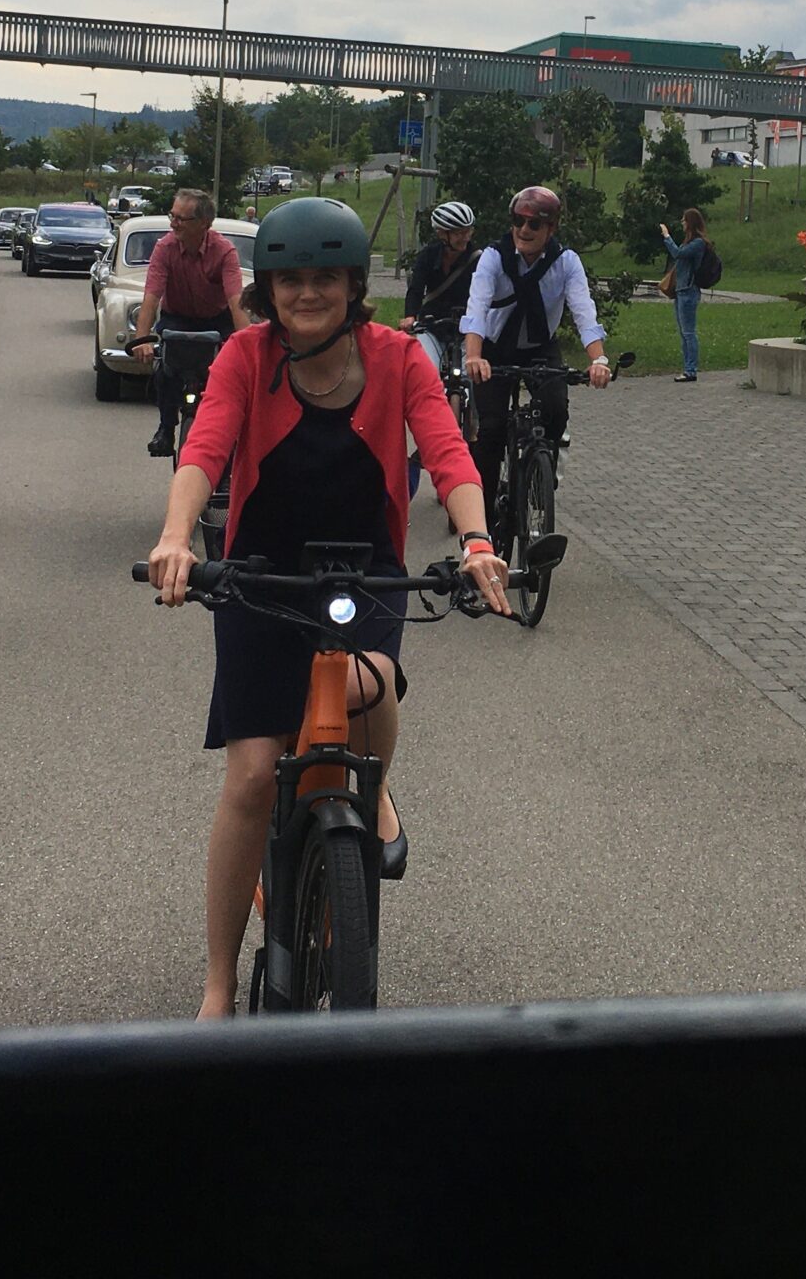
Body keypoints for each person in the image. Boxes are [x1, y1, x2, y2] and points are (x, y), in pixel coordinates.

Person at [143, 198, 507, 1019]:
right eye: (291, 280)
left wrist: (477, 541)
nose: (308, 294)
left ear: (352, 286)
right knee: (250, 776)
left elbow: (446, 450)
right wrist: (176, 538)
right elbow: (206, 446)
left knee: (369, 682)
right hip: (259, 576)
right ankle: (216, 985)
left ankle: (370, 789)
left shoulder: (398, 357)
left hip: (362, 570)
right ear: (268, 290)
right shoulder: (245, 356)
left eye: (326, 279)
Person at [461, 185, 612, 518]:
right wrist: (474, 356)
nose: (524, 230)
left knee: (555, 408)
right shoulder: (494, 257)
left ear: (551, 229)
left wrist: (598, 360)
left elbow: (584, 313)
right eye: (518, 221)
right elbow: (477, 308)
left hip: (539, 348)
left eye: (534, 224)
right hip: (493, 350)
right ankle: (481, 521)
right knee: (491, 430)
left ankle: (541, 470)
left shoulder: (566, 262)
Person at [131, 187, 249, 457]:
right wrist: (141, 339)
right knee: (165, 372)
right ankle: (166, 428)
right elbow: (151, 296)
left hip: (217, 320)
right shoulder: (164, 248)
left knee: (229, 375)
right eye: (172, 216)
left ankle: (230, 432)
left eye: (181, 219)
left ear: (204, 223)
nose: (174, 224)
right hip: (177, 318)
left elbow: (236, 301)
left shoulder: (224, 251)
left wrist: (250, 346)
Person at [401, 200, 479, 376]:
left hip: (466, 330)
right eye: (459, 233)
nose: (466, 237)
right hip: (432, 326)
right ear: (442, 233)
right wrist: (410, 316)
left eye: (468, 231)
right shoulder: (428, 256)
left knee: (470, 374)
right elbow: (416, 289)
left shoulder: (478, 260)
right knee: (428, 371)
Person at [657, 206, 709, 382]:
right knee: (683, 332)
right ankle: (687, 367)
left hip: (688, 290)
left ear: (691, 222)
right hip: (681, 291)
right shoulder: (689, 242)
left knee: (688, 332)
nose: (682, 222)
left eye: (684, 220)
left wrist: (667, 236)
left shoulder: (698, 243)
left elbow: (678, 254)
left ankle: (691, 370)